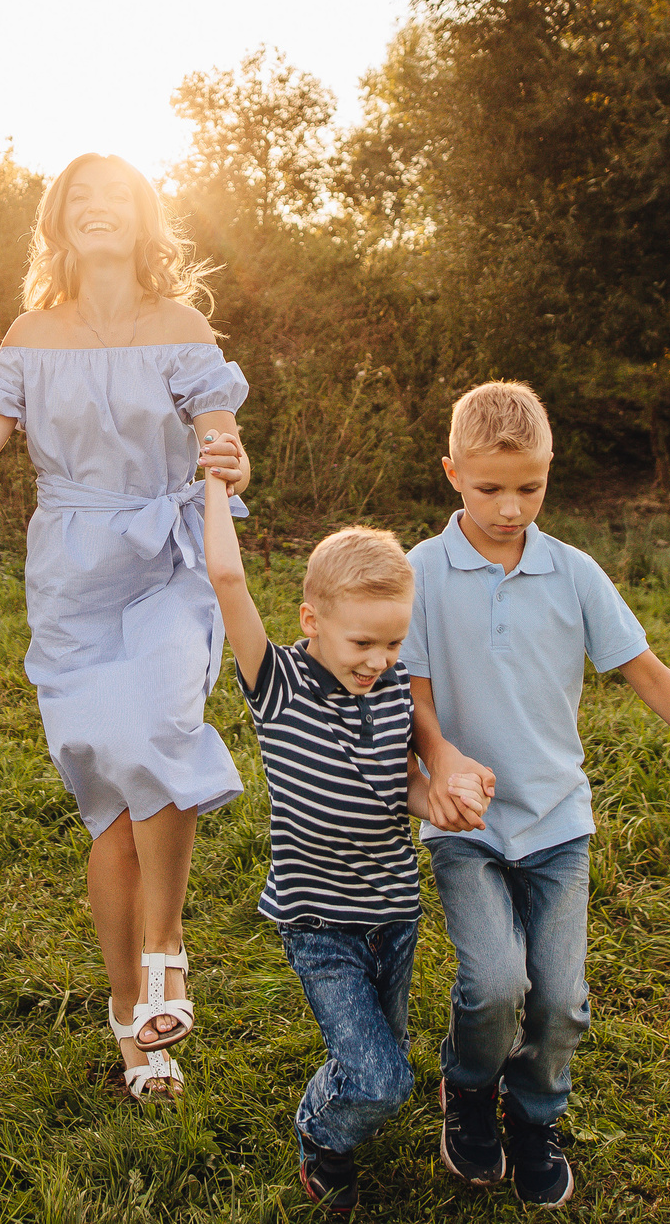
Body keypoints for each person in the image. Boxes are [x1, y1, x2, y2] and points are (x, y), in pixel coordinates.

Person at [407, 381, 670, 1206]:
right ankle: (469, 1089)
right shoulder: (422, 572)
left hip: (555, 821)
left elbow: (645, 671)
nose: (511, 508)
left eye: (530, 487)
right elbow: (415, 692)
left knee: (561, 1000)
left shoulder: (571, 571)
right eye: (489, 487)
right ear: (451, 473)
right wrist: (440, 770)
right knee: (496, 984)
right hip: (465, 823)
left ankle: (534, 1113)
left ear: (549, 472)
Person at [0, 153, 249, 1101]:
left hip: (165, 558)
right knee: (112, 807)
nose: (99, 207)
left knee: (162, 730)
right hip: (69, 578)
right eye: (81, 198)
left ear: (148, 221)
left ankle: (167, 947)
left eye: (118, 196)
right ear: (57, 225)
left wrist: (222, 452)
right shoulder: (32, 334)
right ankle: (132, 1021)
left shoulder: (182, 327)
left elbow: (223, 438)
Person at [199, 432, 493, 1215]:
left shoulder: (392, 689)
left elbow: (403, 782)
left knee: (382, 1057)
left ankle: (352, 1100)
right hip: (318, 920)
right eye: (363, 641)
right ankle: (321, 1133)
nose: (378, 658)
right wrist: (216, 484)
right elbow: (226, 575)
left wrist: (448, 800)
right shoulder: (278, 682)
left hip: (392, 913)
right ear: (312, 620)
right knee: (378, 1078)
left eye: (394, 641)